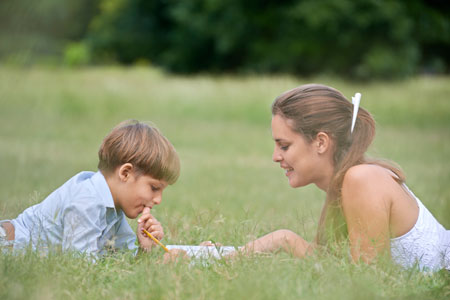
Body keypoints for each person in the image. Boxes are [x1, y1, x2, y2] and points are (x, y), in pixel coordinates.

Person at [236, 84, 449, 271]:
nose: (275, 156)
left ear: (321, 142)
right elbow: (330, 264)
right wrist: (223, 255)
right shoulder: (340, 186)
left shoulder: (361, 179)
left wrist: (287, 240)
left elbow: (369, 278)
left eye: (284, 146)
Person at [0, 120, 180, 257]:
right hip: (8, 244)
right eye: (154, 188)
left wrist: (144, 248)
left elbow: (121, 258)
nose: (158, 200)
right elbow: (79, 264)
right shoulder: (87, 201)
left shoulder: (113, 207)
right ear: (125, 173)